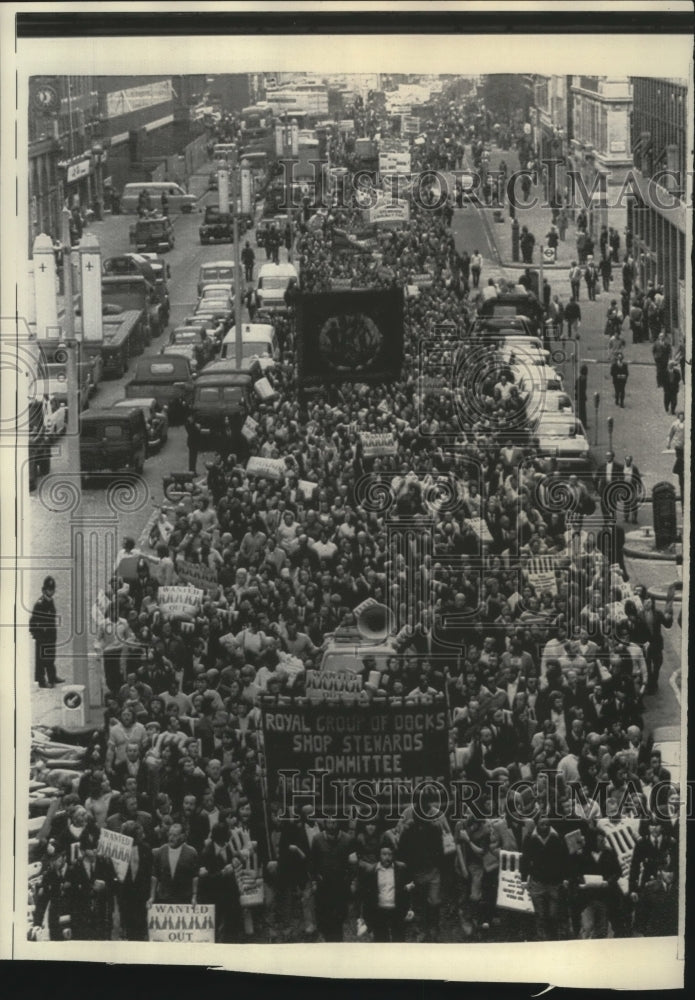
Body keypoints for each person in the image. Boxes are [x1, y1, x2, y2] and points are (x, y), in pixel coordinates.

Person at [520, 813, 569, 940]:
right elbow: (524, 860)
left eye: (547, 824)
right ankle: (542, 939)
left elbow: (564, 859)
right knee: (539, 914)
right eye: (542, 824)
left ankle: (554, 938)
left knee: (553, 914)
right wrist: (523, 879)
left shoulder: (557, 838)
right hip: (537, 882)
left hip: (554, 882)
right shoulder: (530, 838)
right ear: (537, 824)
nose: (545, 826)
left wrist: (565, 878)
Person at [310, 817, 353, 942]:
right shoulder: (317, 839)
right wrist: (314, 880)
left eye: (334, 822)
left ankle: (337, 944)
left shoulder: (347, 840)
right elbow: (313, 862)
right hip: (323, 885)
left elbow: (352, 864)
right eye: (329, 822)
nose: (332, 826)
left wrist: (350, 881)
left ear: (338, 823)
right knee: (325, 919)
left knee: (338, 919)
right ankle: (327, 939)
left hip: (340, 885)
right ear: (325, 824)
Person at [360, 841, 413, 943]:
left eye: (390, 854)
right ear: (379, 855)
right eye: (384, 854)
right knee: (381, 941)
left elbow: (408, 890)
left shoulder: (401, 868)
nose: (387, 857)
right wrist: (366, 918)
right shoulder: (371, 871)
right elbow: (367, 896)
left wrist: (409, 908)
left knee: (399, 939)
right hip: (379, 911)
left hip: (396, 910)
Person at [149, 822, 199, 904]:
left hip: (184, 899)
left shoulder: (191, 852)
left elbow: (195, 877)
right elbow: (154, 876)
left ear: (182, 836)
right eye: (170, 834)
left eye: (175, 835)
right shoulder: (160, 852)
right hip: (164, 898)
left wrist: (194, 896)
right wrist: (152, 897)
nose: (171, 838)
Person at [29, 575, 65, 688]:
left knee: (50, 657)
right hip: (42, 635)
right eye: (49, 589)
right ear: (44, 590)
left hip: (50, 634)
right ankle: (41, 681)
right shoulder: (39, 604)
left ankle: (52, 677)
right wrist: (36, 635)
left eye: (52, 589)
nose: (51, 591)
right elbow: (33, 621)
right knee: (41, 659)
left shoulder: (50, 601)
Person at [666, 411, 685, 498]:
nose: (681, 418)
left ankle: (680, 470)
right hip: (678, 446)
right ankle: (679, 470)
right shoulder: (675, 424)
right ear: (678, 417)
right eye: (680, 417)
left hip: (685, 446)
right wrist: (669, 443)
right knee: (680, 459)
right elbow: (671, 434)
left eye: (683, 417)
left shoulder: (686, 424)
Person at [621, 455, 643, 525]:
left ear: (631, 461)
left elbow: (638, 478)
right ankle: (626, 517)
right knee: (626, 503)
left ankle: (634, 518)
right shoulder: (622, 468)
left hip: (632, 487)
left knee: (634, 503)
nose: (627, 462)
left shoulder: (634, 468)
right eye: (626, 460)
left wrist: (639, 487)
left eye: (629, 460)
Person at [575, 364, 589, 429]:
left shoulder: (581, 379)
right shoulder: (581, 380)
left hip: (581, 397)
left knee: (582, 411)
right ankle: (582, 425)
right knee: (581, 412)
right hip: (580, 398)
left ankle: (583, 424)